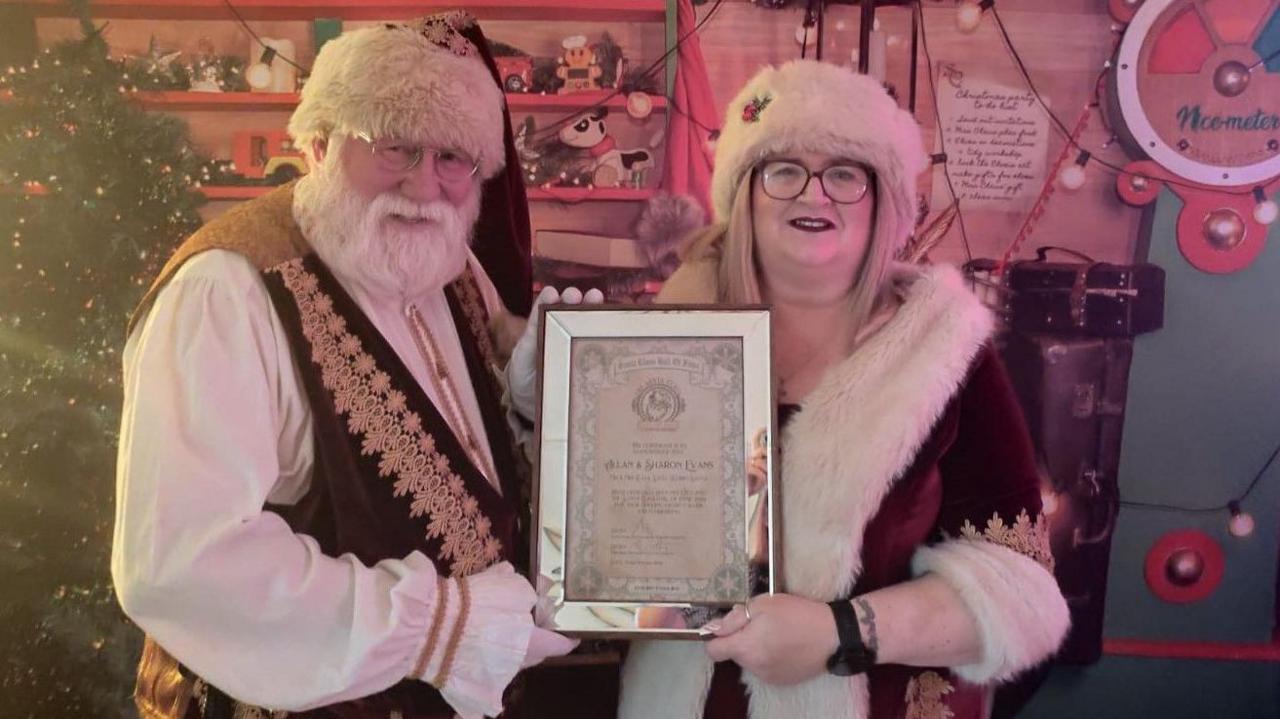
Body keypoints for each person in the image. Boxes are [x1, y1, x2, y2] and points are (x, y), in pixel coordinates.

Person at [112, 14, 576, 719]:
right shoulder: (226, 292)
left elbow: (468, 443)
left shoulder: (450, 264)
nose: (425, 184)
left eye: (454, 157)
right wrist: (441, 628)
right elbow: (179, 565)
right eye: (396, 145)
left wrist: (535, 389)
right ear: (321, 142)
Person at [613, 60, 1070, 719]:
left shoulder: (946, 355)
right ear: (746, 193)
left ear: (884, 200)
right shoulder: (666, 340)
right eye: (784, 168)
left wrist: (843, 631)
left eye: (845, 173)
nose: (813, 193)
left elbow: (1025, 596)